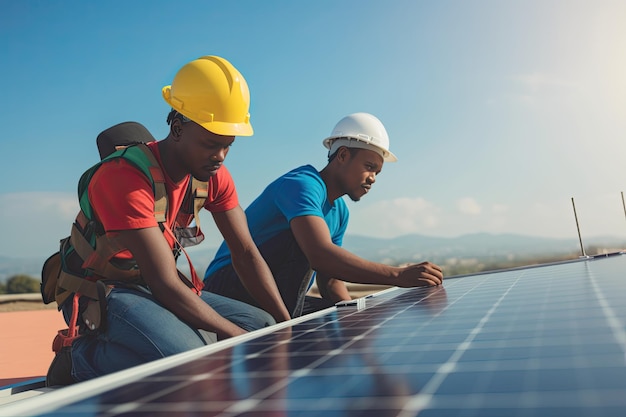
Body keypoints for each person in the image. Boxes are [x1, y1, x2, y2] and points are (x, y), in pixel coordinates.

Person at [45, 55, 291, 386]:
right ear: (177, 128)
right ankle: (79, 359)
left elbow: (245, 252)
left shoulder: (212, 176)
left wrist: (286, 325)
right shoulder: (124, 177)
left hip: (150, 284)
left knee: (261, 326)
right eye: (210, 144)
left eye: (227, 146)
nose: (219, 156)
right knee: (187, 356)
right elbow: (164, 282)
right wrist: (235, 337)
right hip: (102, 289)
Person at [204, 112, 444, 318]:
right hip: (231, 284)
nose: (372, 179)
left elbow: (330, 280)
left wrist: (354, 315)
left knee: (337, 317)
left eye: (377, 173)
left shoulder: (340, 212)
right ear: (342, 156)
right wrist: (398, 275)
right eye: (369, 167)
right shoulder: (302, 184)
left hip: (277, 293)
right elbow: (320, 255)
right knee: (305, 241)